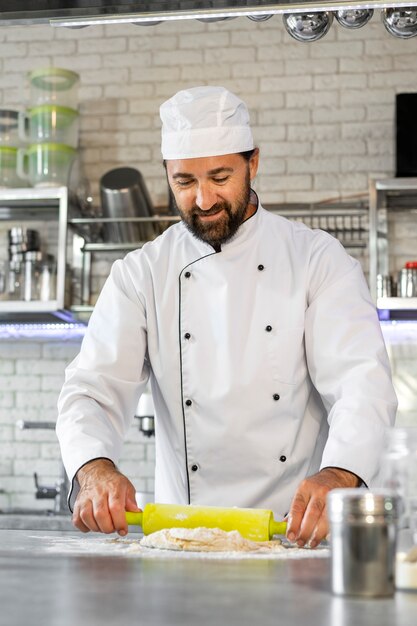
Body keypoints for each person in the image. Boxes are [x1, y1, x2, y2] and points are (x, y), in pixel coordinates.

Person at [57, 86, 397, 548]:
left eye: (220, 176)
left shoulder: (317, 259)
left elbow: (361, 383)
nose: (202, 200)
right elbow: (91, 389)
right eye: (184, 182)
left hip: (294, 536)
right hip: (184, 541)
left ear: (253, 163)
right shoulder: (141, 274)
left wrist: (342, 473)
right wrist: (94, 468)